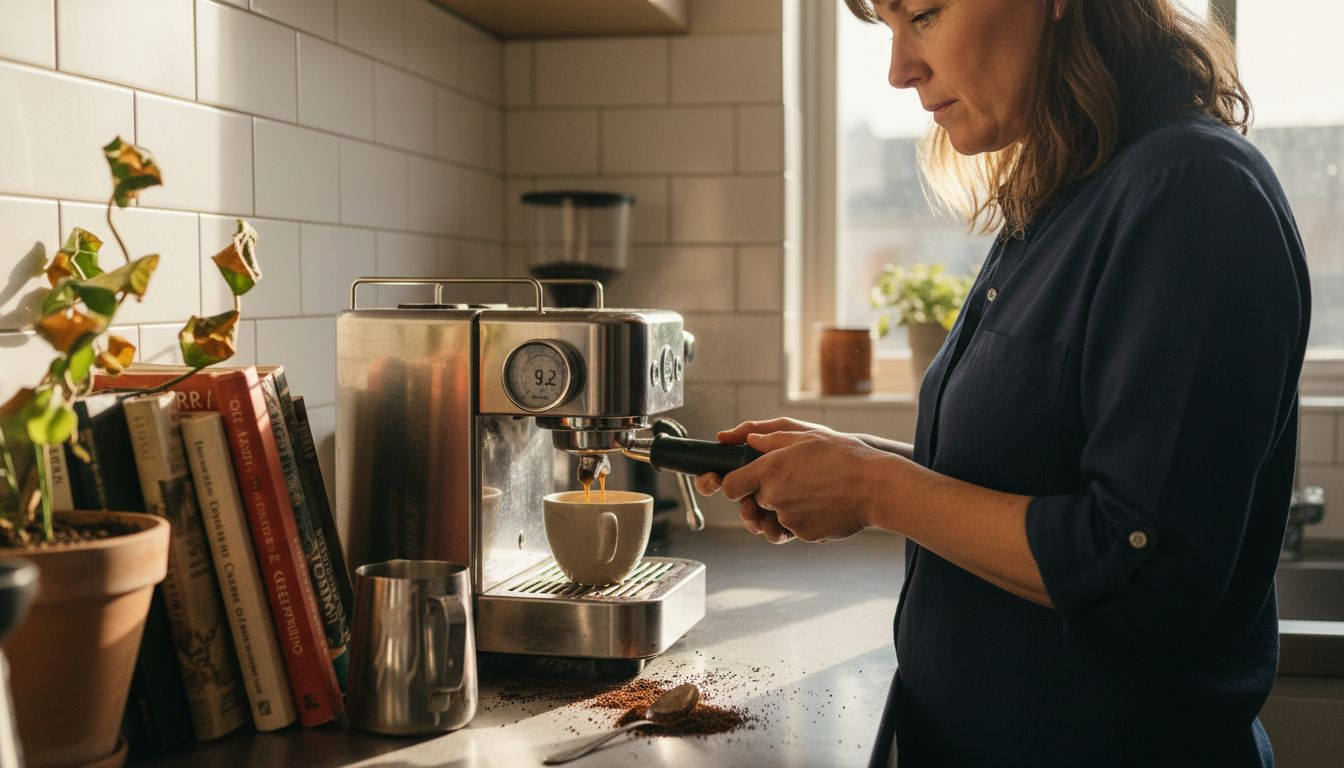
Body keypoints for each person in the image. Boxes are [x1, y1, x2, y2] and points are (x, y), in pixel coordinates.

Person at [694, 1, 1310, 766]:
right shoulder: (1066, 193)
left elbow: (1137, 562)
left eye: (922, 13)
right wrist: (853, 462)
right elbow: (1035, 471)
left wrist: (876, 489)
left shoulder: (1193, 193)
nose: (898, 70)